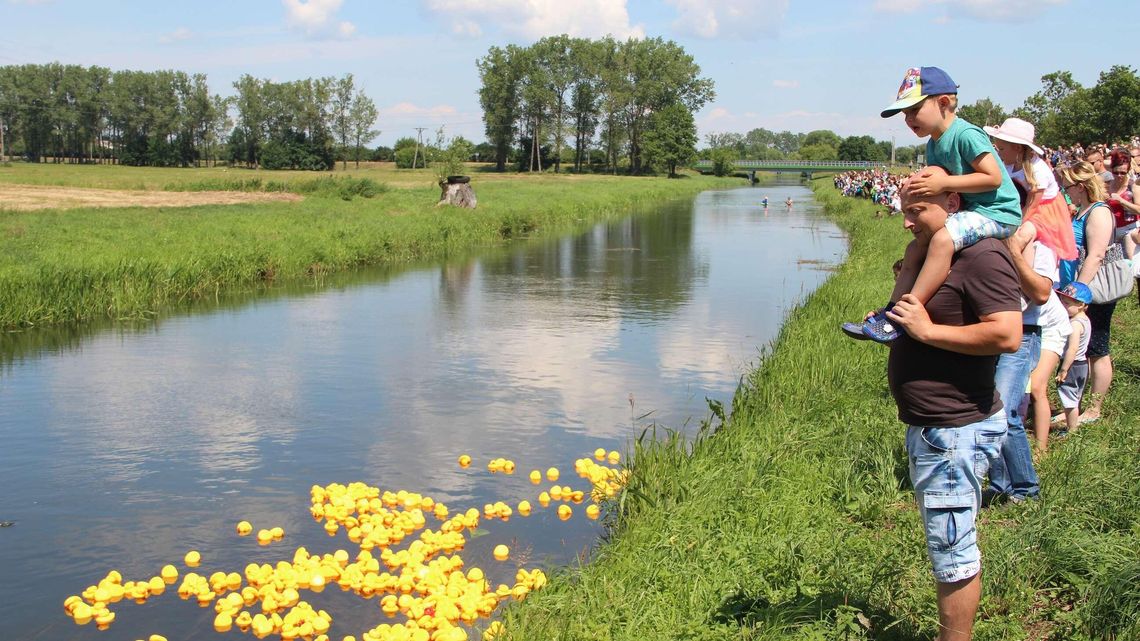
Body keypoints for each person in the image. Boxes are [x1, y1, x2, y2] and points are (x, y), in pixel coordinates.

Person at [886, 166, 1022, 641]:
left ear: (955, 203)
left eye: (915, 211)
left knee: (952, 550)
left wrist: (928, 332)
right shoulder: (932, 254)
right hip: (934, 425)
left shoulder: (982, 257)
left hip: (954, 428)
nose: (906, 222)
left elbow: (1007, 334)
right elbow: (915, 317)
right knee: (948, 542)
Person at [843, 67, 1021, 343]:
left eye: (913, 110)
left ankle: (908, 314)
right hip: (971, 210)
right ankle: (891, 311)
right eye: (905, 114)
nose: (908, 119)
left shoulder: (965, 134)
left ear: (943, 103)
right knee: (914, 249)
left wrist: (943, 186)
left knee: (941, 241)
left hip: (997, 212)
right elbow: (935, 179)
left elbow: (993, 177)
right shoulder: (933, 144)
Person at [1057, 162, 1116, 424]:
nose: (1065, 191)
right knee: (1080, 348)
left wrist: (1077, 292)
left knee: (1097, 348)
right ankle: (1075, 406)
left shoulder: (1099, 212)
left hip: (1092, 291)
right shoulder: (1082, 210)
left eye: (1067, 187)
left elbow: (1096, 255)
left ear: (1080, 187)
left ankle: (1095, 407)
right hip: (1081, 290)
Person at [1054, 282, 1093, 437]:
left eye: (1067, 303)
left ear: (1081, 305)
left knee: (1070, 401)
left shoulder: (1075, 324)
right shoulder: (1086, 320)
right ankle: (1072, 426)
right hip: (1082, 364)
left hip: (1072, 365)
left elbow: (1072, 348)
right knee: (1075, 398)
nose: (1063, 305)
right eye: (1062, 301)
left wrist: (1064, 368)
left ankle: (1072, 430)